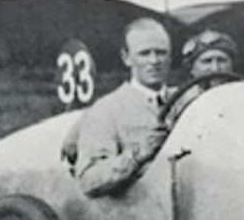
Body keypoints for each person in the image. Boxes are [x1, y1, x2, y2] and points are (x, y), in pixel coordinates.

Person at [60, 17, 172, 198]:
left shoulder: (186, 101)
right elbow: (88, 180)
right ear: (126, 58)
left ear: (170, 57)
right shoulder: (107, 110)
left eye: (161, 53)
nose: (154, 60)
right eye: (144, 53)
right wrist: (136, 155)